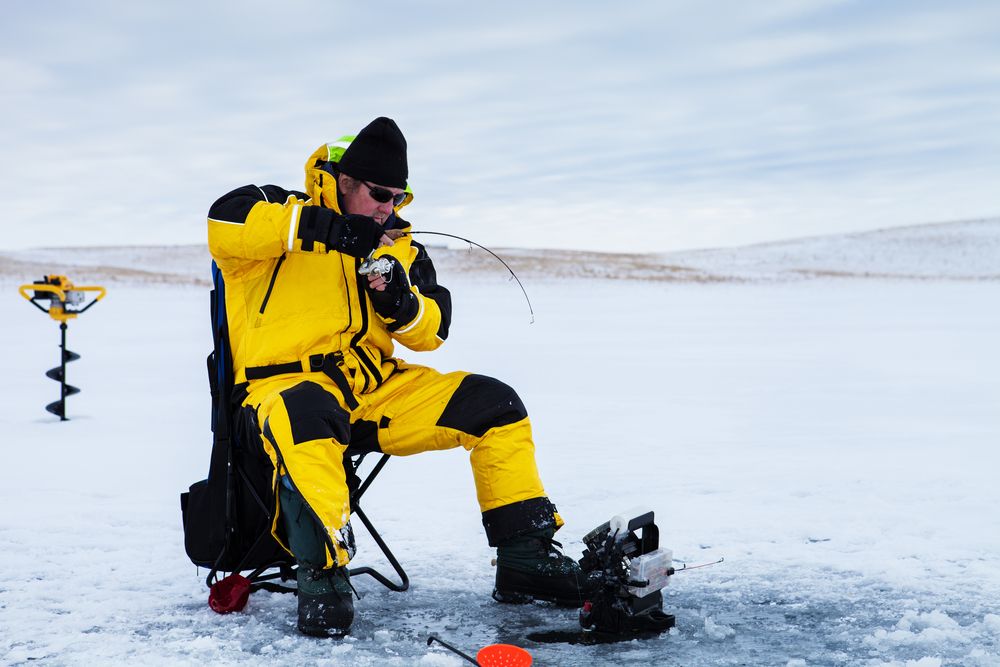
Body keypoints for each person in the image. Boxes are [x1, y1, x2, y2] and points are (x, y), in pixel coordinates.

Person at [206, 117, 585, 638]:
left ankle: (526, 559)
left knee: (495, 406)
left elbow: (434, 328)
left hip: (376, 390)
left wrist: (400, 301)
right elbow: (223, 224)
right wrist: (330, 232)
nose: (390, 208)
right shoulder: (274, 211)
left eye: (398, 197)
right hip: (282, 391)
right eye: (380, 194)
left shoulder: (398, 245)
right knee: (308, 414)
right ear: (343, 182)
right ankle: (323, 573)